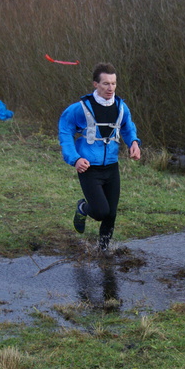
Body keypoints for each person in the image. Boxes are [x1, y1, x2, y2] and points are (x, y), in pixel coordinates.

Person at [58, 62, 141, 253]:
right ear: (95, 84)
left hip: (111, 167)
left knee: (111, 215)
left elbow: (128, 127)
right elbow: (65, 132)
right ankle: (82, 209)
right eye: (105, 84)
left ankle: (104, 251)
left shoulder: (121, 107)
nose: (110, 88)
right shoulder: (80, 108)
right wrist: (75, 159)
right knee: (101, 212)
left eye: (113, 83)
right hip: (89, 167)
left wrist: (134, 143)